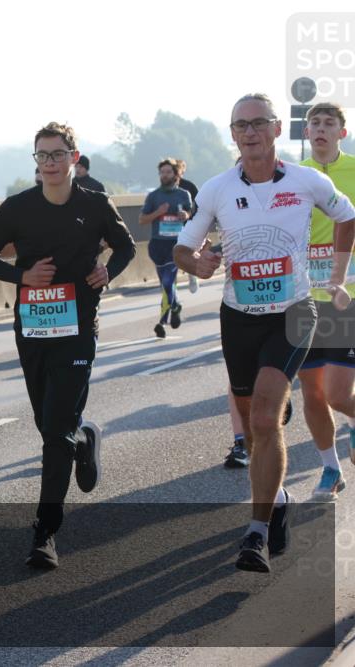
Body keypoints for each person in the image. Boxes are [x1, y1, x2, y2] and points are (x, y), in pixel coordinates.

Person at [174, 93, 355, 573]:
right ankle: (276, 500)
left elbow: (347, 216)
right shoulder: (215, 189)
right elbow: (183, 249)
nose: (250, 132)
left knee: (265, 416)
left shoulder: (305, 180)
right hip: (239, 317)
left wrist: (336, 275)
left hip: (294, 312)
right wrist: (200, 262)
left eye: (259, 123)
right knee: (257, 426)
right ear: (232, 134)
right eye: (241, 125)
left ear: (277, 130)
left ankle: (254, 534)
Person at [0, 122, 136, 569]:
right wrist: (21, 277)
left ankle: (45, 532)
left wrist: (108, 272)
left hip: (79, 325)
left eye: (57, 154)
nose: (49, 163)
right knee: (48, 424)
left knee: (55, 429)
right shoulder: (18, 207)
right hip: (33, 327)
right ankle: (83, 440)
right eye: (41, 156)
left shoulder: (95, 204)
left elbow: (125, 248)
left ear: (73, 157)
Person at [297, 102, 355, 500]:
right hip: (301, 298)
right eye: (314, 122)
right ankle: (330, 469)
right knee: (312, 394)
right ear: (307, 132)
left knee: (336, 394)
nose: (320, 128)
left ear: (342, 132)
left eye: (328, 123)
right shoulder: (292, 176)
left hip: (345, 297)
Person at [139, 158, 194, 338]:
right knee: (165, 284)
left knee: (169, 282)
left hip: (177, 245)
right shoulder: (153, 196)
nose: (164, 175)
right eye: (162, 172)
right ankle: (176, 305)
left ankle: (161, 322)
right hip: (157, 244)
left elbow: (191, 215)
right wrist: (158, 213)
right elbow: (142, 220)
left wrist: (185, 214)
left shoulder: (184, 194)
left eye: (168, 172)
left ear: (176, 174)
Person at [174, 159, 200, 293]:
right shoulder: (164, 188)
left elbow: (199, 206)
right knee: (171, 258)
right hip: (169, 229)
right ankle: (171, 288)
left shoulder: (189, 186)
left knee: (187, 253)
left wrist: (189, 215)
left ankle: (192, 275)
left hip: (187, 225)